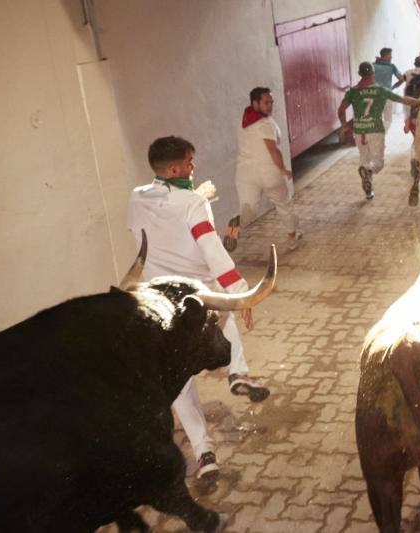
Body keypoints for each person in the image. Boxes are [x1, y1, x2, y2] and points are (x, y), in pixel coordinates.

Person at [127, 136, 271, 481]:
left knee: (178, 384)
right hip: (197, 298)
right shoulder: (192, 204)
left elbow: (156, 217)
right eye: (190, 163)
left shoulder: (136, 197)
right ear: (176, 168)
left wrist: (195, 197)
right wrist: (242, 292)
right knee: (224, 304)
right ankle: (237, 373)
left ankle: (205, 454)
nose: (193, 168)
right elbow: (211, 248)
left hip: (158, 303)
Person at [223, 87, 300, 253]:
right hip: (268, 172)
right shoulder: (265, 124)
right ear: (255, 103)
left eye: (271, 102)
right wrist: (283, 169)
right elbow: (273, 150)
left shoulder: (242, 120)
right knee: (284, 205)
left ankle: (234, 227)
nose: (270, 106)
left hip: (244, 173)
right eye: (266, 103)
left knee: (247, 208)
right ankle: (293, 238)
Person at [338, 62, 420, 199]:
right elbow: (402, 100)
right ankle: (368, 171)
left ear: (359, 74)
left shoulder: (352, 92)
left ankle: (368, 191)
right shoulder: (380, 90)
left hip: (359, 131)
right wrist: (419, 102)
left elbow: (341, 110)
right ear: (373, 74)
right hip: (375, 129)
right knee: (378, 163)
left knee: (364, 159)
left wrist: (344, 126)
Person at [373, 48, 405, 132]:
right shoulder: (391, 66)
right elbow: (401, 79)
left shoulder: (372, 65)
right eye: (390, 55)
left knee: (376, 117)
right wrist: (393, 87)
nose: (391, 57)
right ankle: (382, 134)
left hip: (374, 94)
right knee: (388, 119)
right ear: (386, 56)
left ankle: (375, 134)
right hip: (386, 94)